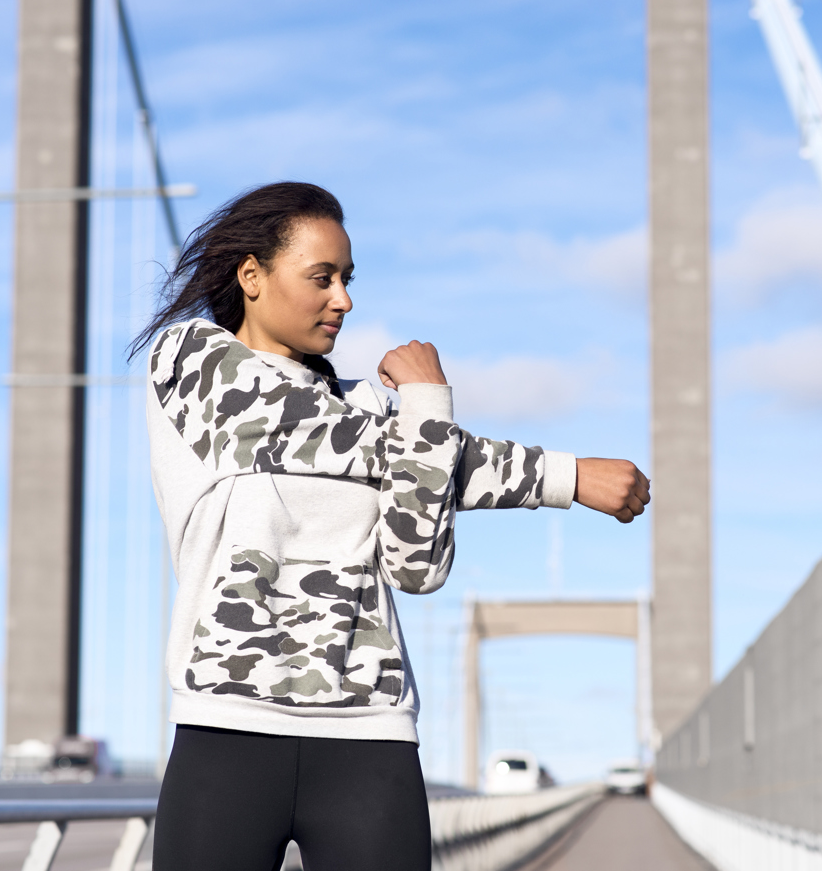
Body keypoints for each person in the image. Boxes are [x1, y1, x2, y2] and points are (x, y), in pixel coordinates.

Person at [130, 182, 650, 871]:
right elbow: (303, 431)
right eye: (323, 277)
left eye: (347, 279)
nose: (344, 299)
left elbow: (417, 566)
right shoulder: (189, 363)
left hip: (372, 741)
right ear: (251, 276)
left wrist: (420, 429)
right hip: (229, 729)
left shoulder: (382, 411)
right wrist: (558, 472)